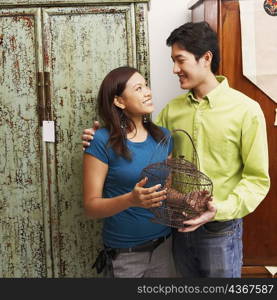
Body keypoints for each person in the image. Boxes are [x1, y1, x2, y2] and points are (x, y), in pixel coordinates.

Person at [82, 22, 270, 278]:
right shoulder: (171, 111)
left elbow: (257, 180)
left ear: (205, 58)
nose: (174, 70)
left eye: (180, 60)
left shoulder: (246, 110)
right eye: (173, 61)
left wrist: (220, 209)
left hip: (220, 230)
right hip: (177, 232)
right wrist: (99, 137)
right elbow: (143, 145)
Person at [83, 66, 177, 278]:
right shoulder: (100, 141)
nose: (148, 92)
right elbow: (90, 207)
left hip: (164, 248)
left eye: (146, 86)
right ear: (119, 101)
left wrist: (189, 200)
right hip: (125, 256)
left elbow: (166, 192)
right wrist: (130, 200)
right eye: (138, 88)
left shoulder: (163, 136)